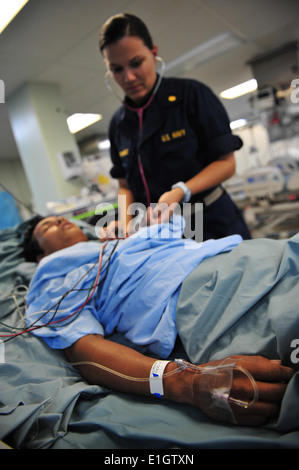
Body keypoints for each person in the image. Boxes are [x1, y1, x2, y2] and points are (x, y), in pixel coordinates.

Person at [22, 215, 296, 426]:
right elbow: (81, 348)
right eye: (46, 227)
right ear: (39, 256)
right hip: (204, 297)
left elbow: (171, 222)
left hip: (249, 254)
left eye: (58, 218)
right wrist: (186, 383)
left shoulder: (120, 241)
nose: (59, 220)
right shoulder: (51, 275)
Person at [98, 13, 251, 241]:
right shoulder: (118, 125)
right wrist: (124, 223)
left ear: (154, 53)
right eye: (117, 69)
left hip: (211, 224)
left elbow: (226, 164)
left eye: (136, 63)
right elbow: (125, 186)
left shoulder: (192, 96)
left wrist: (182, 191)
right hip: (161, 237)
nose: (128, 77)